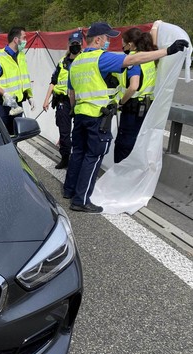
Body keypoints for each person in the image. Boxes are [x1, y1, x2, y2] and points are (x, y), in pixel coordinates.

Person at [62, 21, 188, 213]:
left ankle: (69, 190)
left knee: (78, 152)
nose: (108, 42)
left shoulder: (77, 61)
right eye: (106, 38)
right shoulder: (100, 58)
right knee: (93, 156)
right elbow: (132, 60)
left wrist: (75, 110)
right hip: (97, 117)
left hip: (79, 115)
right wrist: (167, 51)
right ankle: (81, 200)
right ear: (97, 39)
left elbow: (71, 94)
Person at [114, 28, 157, 163]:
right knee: (138, 141)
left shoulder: (132, 60)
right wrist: (155, 27)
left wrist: (121, 101)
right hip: (146, 107)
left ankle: (119, 175)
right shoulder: (151, 56)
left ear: (131, 44)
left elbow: (133, 86)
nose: (123, 46)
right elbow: (153, 40)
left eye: (124, 43)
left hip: (132, 108)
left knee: (124, 143)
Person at [42, 32, 83, 169]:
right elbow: (53, 82)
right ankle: (65, 157)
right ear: (68, 45)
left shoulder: (84, 61)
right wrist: (46, 99)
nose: (75, 46)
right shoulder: (62, 62)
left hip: (79, 101)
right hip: (63, 101)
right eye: (73, 44)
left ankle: (77, 158)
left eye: (77, 44)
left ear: (81, 44)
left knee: (79, 132)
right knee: (64, 132)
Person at [0, 27, 35, 135]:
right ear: (16, 40)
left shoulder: (21, 56)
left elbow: (23, 79)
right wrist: (5, 94)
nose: (25, 41)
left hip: (17, 104)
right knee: (2, 135)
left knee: (16, 135)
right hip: (2, 104)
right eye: (24, 38)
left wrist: (29, 96)